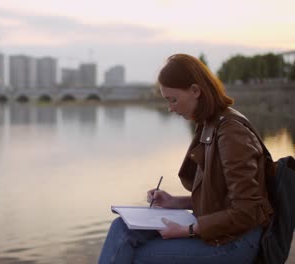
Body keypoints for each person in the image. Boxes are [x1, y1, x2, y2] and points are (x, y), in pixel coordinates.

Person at [98, 53, 274, 264]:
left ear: (195, 91)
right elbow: (222, 197)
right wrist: (175, 202)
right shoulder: (210, 124)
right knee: (121, 227)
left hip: (237, 242)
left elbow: (247, 212)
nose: (170, 108)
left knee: (141, 256)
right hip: (223, 232)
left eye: (173, 99)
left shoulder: (231, 133)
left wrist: (187, 230)